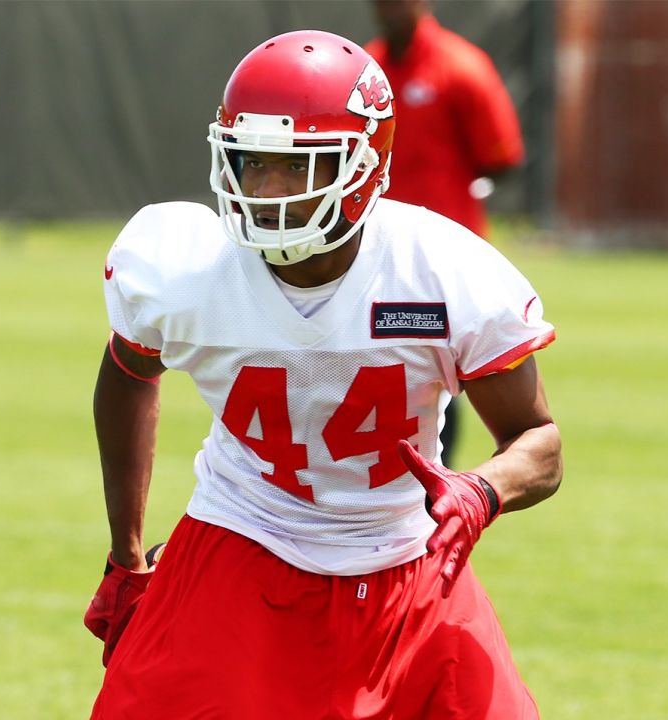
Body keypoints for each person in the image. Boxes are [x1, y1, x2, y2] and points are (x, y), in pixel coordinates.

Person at [84, 29, 560, 719]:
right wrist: (126, 554)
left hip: (406, 555)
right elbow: (129, 371)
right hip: (242, 540)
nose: (267, 190)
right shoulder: (185, 267)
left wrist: (482, 492)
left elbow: (540, 441)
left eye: (298, 167)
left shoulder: (444, 272)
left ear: (365, 165)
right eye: (253, 162)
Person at [367, 0, 527, 466]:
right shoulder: (365, 70)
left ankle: (439, 484)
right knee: (374, 364)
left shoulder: (461, 67)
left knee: (438, 372)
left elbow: (502, 154)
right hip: (372, 250)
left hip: (443, 259)